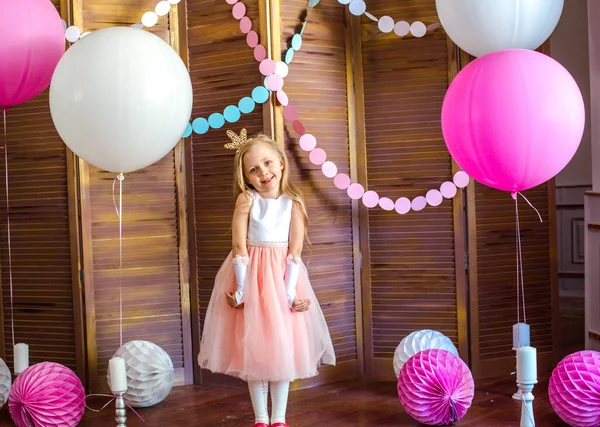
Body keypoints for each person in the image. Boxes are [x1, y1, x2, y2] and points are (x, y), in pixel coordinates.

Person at [198, 129, 336, 427]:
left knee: (282, 349)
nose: (263, 172)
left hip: (282, 280)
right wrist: (242, 288)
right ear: (247, 178)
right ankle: (261, 418)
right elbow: (238, 247)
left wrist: (289, 294)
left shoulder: (293, 202)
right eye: (254, 169)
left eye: (268, 163)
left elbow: (295, 252)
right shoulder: (247, 200)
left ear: (282, 163)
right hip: (250, 277)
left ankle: (280, 418)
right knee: (255, 350)